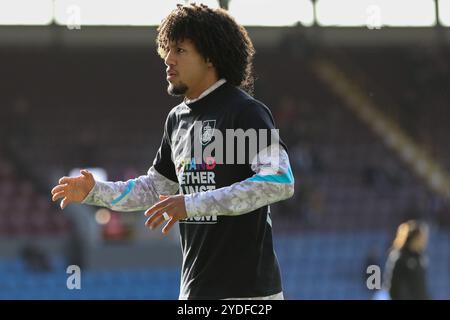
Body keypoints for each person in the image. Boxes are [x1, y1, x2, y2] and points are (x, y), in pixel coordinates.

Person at [51, 4, 294, 300]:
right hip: (194, 293)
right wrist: (95, 191)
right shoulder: (177, 120)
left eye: (180, 50)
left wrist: (192, 204)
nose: (168, 59)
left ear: (210, 56)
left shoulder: (244, 112)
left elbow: (280, 181)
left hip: (249, 294)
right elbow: (156, 188)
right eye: (167, 49)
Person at [382, 220, 430, 300]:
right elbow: (393, 288)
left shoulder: (420, 258)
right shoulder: (398, 257)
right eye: (421, 238)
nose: (424, 241)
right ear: (414, 238)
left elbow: (421, 288)